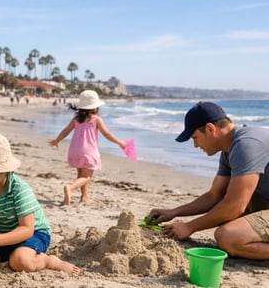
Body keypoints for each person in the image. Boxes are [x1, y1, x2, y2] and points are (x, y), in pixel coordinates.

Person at [147, 101, 269, 260]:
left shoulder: (245, 145)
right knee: (223, 218)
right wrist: (174, 212)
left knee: (228, 236)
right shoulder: (229, 149)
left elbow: (235, 207)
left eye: (195, 138)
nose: (196, 145)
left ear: (210, 129)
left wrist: (189, 227)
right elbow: (214, 196)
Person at [0, 132, 79, 274]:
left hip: (34, 234)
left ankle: (49, 261)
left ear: (5, 170)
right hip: (1, 233)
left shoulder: (19, 190)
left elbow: (27, 229)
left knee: (20, 261)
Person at [48, 90, 126, 205]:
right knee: (87, 177)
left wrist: (56, 141)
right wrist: (120, 142)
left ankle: (84, 197)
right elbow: (107, 134)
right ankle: (70, 188)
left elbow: (65, 131)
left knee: (81, 175)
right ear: (95, 108)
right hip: (88, 152)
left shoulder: (76, 120)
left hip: (74, 151)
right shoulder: (96, 119)